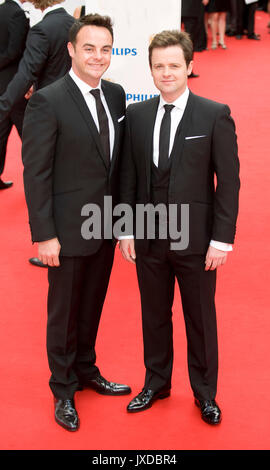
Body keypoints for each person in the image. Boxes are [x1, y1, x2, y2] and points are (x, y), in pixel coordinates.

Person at [119, 30, 240, 425]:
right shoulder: (136, 117)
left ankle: (205, 393)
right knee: (153, 314)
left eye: (174, 65)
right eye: (159, 66)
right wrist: (125, 229)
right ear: (150, 70)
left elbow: (229, 182)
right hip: (149, 239)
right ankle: (156, 382)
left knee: (199, 318)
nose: (166, 73)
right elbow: (127, 177)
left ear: (189, 66)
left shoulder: (214, 113)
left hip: (197, 240)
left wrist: (221, 240)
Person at [22, 13, 130, 432]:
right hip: (64, 231)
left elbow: (117, 167)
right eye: (89, 48)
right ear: (71, 50)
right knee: (63, 313)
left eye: (105, 48)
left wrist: (122, 224)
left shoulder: (117, 95)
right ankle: (63, 388)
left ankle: (87, 369)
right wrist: (44, 234)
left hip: (102, 226)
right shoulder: (47, 100)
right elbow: (37, 173)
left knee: (92, 305)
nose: (98, 56)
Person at [0, 0, 74, 267]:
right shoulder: (73, 24)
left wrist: (3, 106)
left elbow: (26, 72)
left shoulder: (43, 29)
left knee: (44, 180)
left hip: (49, 113)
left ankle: (55, 248)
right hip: (74, 112)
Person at [0, 0, 29, 190]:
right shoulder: (17, 14)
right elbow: (15, 51)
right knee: (29, 136)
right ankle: (38, 182)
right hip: (14, 85)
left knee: (0, 134)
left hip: (1, 85)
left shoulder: (2, 9)